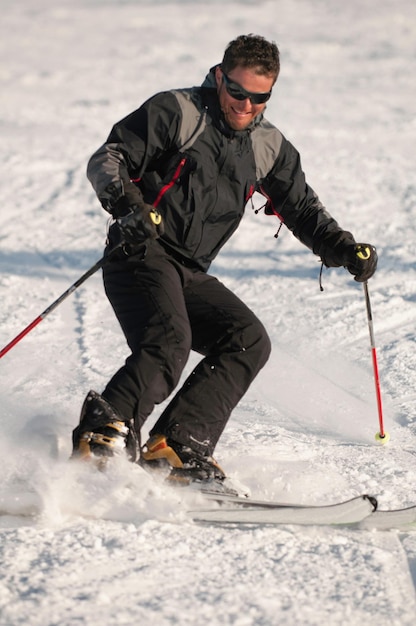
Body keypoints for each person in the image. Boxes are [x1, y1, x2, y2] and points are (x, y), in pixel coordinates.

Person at [71, 34, 377, 484]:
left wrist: (345, 248)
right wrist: (128, 208)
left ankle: (176, 445)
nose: (245, 106)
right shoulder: (178, 111)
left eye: (259, 98)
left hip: (188, 270)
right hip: (140, 252)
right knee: (168, 344)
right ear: (219, 76)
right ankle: (102, 434)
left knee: (247, 339)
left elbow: (303, 209)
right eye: (237, 92)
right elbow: (110, 157)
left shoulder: (269, 146)